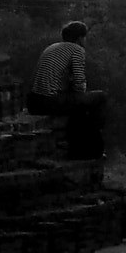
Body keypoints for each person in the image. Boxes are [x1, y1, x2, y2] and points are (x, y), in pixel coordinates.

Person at [27, 21, 106, 161]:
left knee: (77, 107)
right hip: (50, 100)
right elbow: (79, 83)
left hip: (34, 101)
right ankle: (95, 139)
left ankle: (80, 149)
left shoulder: (52, 47)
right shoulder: (77, 50)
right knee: (100, 97)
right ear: (80, 38)